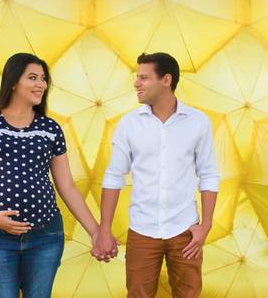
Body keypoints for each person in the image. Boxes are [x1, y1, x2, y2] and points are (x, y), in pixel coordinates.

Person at [0, 52, 118, 298]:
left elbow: (67, 187)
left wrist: (96, 232)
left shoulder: (50, 128)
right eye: (33, 77)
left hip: (45, 237)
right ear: (13, 82)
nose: (41, 84)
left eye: (43, 78)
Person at [92, 52, 220, 297]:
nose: (136, 84)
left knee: (189, 294)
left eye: (143, 78)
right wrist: (104, 230)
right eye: (136, 77)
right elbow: (113, 177)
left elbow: (209, 174)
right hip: (142, 228)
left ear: (166, 80)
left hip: (185, 230)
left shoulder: (198, 122)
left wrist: (206, 225)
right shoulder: (129, 124)